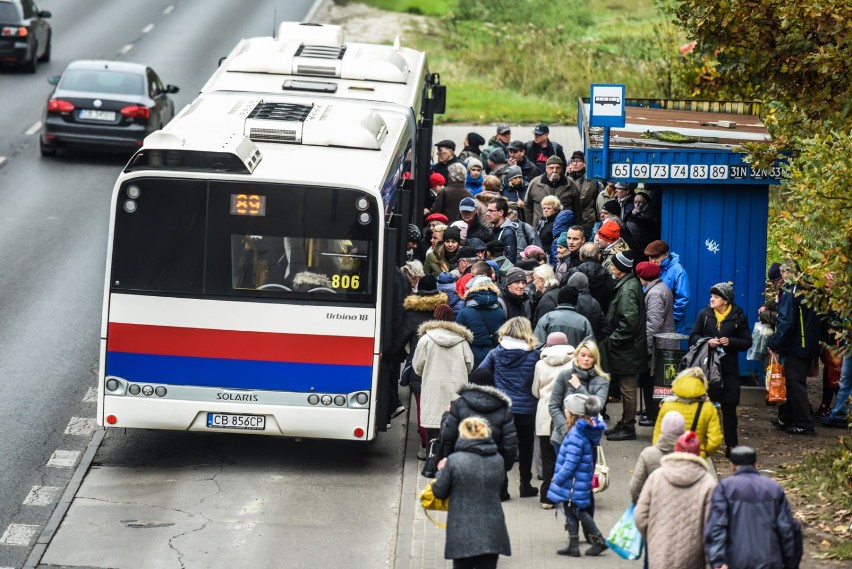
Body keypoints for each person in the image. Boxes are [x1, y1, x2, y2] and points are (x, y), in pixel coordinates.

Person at [705, 446, 803, 569]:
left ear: (733, 465)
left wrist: (718, 562)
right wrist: (791, 564)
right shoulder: (773, 487)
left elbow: (717, 526)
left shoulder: (725, 488)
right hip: (770, 561)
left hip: (735, 561)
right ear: (755, 463)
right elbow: (787, 529)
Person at [432, 417, 512, 569]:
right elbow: (499, 485)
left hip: (462, 530)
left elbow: (439, 491)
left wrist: (441, 471)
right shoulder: (497, 460)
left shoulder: (455, 461)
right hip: (492, 529)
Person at [635, 430, 717, 569]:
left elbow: (640, 516)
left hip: (660, 553)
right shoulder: (708, 483)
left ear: (676, 449)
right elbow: (712, 527)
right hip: (694, 559)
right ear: (697, 453)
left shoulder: (657, 476)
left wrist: (653, 537)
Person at [478, 316, 541, 499]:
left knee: (500, 447)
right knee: (526, 446)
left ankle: (502, 489)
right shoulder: (534, 355)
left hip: (502, 409)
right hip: (527, 409)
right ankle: (525, 485)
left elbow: (480, 373)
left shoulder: (495, 353)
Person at [689, 282, 752, 452]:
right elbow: (693, 337)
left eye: (716, 297)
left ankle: (731, 446)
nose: (712, 299)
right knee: (703, 407)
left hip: (729, 369)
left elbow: (747, 342)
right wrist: (707, 342)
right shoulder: (705, 315)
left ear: (725, 300)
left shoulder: (738, 317)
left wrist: (730, 342)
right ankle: (700, 444)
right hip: (708, 369)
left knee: (729, 409)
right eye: (712, 296)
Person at [547, 393, 608, 557]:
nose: (564, 411)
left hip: (573, 481)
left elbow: (571, 462)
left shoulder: (575, 434)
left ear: (572, 412)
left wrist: (557, 478)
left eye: (566, 409)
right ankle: (573, 544)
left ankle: (599, 540)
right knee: (569, 509)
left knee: (577, 511)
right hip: (577, 479)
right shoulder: (581, 430)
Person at [768, 261, 825, 436]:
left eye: (782, 274)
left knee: (794, 383)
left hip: (796, 345)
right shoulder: (811, 288)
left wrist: (774, 343)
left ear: (787, 273)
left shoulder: (790, 290)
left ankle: (804, 423)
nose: (782, 277)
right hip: (810, 343)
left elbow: (786, 321)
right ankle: (787, 418)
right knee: (792, 381)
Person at [412, 301, 474, 449]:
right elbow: (470, 365)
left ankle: (431, 463)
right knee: (453, 432)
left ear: (435, 318)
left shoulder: (426, 340)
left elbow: (417, 367)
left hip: (432, 391)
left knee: (432, 433)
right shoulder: (462, 342)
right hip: (455, 394)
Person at [601, 251, 648, 441]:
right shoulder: (627, 284)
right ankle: (625, 422)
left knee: (628, 389)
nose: (611, 268)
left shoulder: (628, 289)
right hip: (627, 347)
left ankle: (628, 427)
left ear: (620, 269)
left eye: (613, 265)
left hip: (627, 349)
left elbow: (628, 322)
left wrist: (612, 340)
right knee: (625, 388)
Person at [440, 368, 518, 475]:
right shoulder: (503, 409)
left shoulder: (458, 404)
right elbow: (510, 443)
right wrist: (504, 467)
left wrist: (446, 414)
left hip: (461, 468)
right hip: (494, 470)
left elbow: (447, 436)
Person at [531, 332, 575, 510]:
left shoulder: (540, 364)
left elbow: (535, 390)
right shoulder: (575, 363)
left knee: (548, 458)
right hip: (569, 415)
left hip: (545, 416)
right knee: (568, 458)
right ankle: (568, 495)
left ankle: (547, 498)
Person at [549, 338, 610, 449]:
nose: (586, 359)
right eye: (583, 355)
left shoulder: (602, 380)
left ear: (595, 359)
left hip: (588, 437)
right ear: (577, 355)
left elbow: (597, 407)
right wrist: (567, 429)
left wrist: (578, 387)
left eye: (590, 356)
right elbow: (553, 406)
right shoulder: (565, 375)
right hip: (563, 438)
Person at [652, 367, 723, 458]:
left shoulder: (667, 405)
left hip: (670, 458)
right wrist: (703, 453)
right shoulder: (708, 408)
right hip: (696, 459)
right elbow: (715, 441)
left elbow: (657, 436)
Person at [637, 261, 675, 427]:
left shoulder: (654, 293)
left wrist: (647, 347)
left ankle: (654, 415)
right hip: (663, 342)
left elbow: (654, 323)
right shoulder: (661, 288)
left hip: (658, 344)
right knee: (657, 381)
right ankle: (653, 411)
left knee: (653, 381)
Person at [629, 411, 684, 504]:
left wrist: (641, 504)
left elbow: (635, 487)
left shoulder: (648, 454)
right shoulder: (690, 456)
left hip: (655, 508)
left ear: (662, 428)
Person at [456, 275, 505, 367]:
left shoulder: (464, 313)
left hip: (471, 358)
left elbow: (457, 339)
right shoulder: (501, 312)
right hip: (495, 357)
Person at [644, 240, 691, 333]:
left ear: (666, 255)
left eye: (657, 257)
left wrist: (671, 319)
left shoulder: (678, 271)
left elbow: (683, 299)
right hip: (653, 320)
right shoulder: (652, 268)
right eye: (650, 257)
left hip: (672, 325)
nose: (653, 261)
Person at [524, 156, 577, 227]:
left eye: (558, 168)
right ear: (546, 168)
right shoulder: (535, 183)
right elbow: (527, 206)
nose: (554, 170)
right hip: (539, 228)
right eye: (551, 168)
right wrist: (530, 227)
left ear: (561, 169)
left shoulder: (570, 184)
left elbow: (577, 209)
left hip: (563, 228)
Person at [566, 151, 600, 237]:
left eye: (578, 161)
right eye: (573, 161)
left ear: (584, 163)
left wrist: (567, 204)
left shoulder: (589, 178)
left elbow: (583, 199)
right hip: (572, 217)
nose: (575, 163)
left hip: (585, 219)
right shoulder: (570, 177)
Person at [565, 271, 605, 341]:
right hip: (590, 343)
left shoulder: (574, 301)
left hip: (574, 342)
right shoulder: (595, 302)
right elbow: (604, 326)